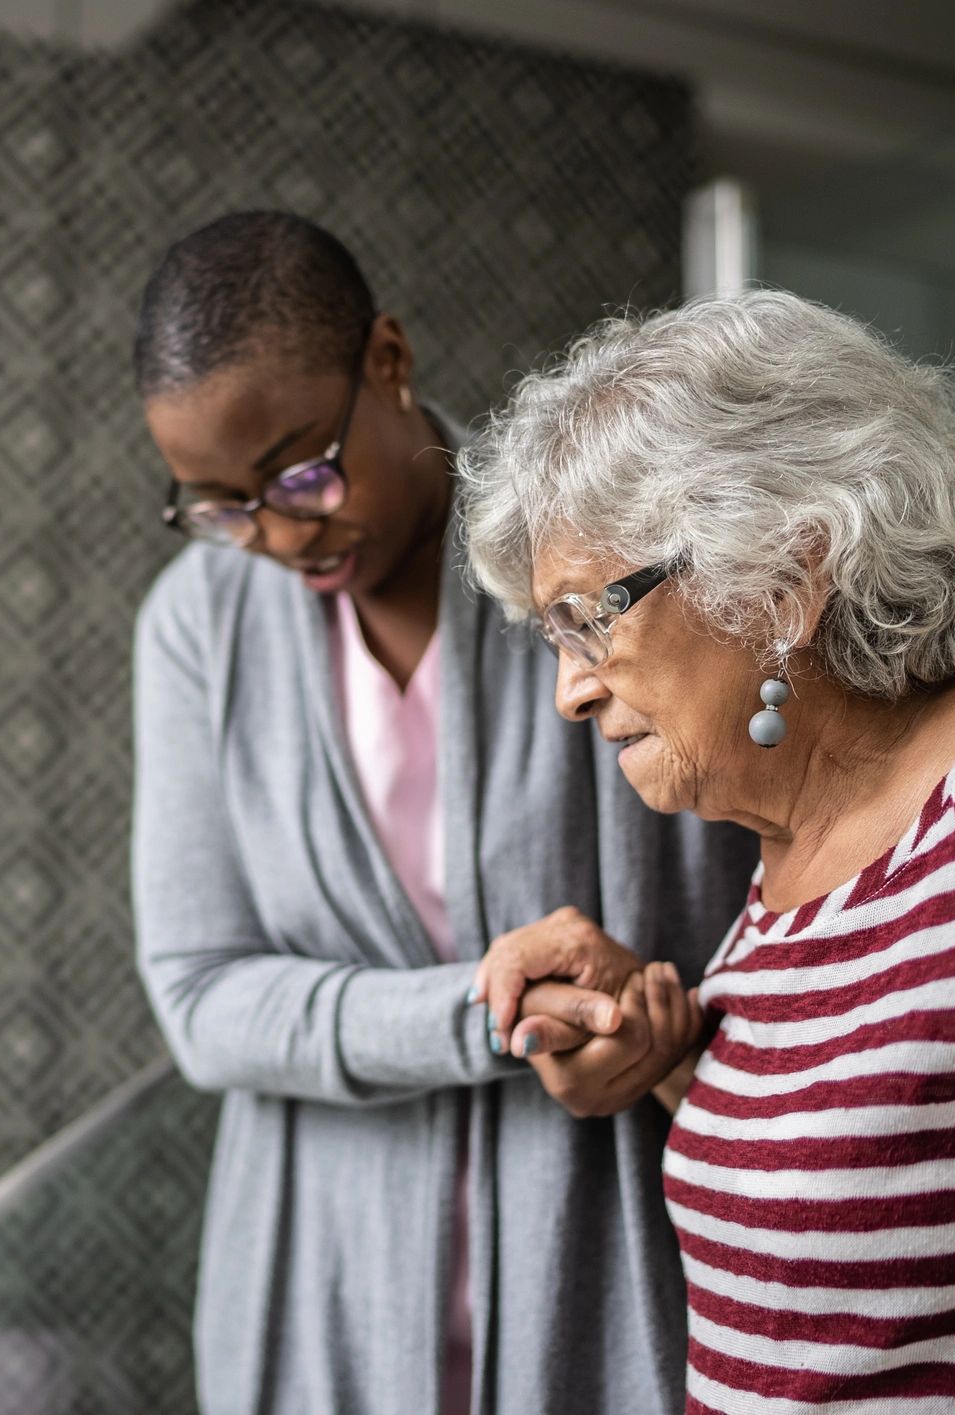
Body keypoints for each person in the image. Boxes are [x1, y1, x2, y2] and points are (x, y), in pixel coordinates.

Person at [459, 287, 955, 1412]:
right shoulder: (785, 867)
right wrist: (673, 1052)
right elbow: (909, 1198)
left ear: (785, 579)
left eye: (592, 617)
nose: (571, 689)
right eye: (552, 636)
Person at [129, 210, 755, 1415]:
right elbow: (205, 996)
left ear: (389, 360)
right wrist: (492, 1015)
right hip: (318, 1277)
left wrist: (653, 1029)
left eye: (301, 471)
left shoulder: (595, 553)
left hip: (618, 1242)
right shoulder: (195, 627)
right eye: (215, 504)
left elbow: (769, 884)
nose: (273, 533)